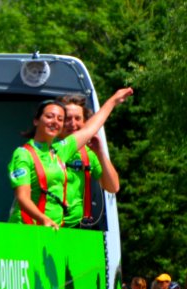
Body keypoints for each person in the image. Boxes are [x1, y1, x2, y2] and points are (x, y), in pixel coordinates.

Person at [8, 87, 133, 228]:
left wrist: (113, 101)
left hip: (61, 229)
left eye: (60, 119)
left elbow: (90, 129)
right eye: (50, 117)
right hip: (30, 226)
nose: (56, 122)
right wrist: (43, 219)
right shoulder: (24, 153)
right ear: (36, 121)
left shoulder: (60, 150)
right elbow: (22, 197)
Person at [60, 94, 121, 228]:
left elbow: (113, 187)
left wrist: (99, 152)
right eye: (67, 119)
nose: (73, 124)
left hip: (75, 226)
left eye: (77, 118)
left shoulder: (88, 153)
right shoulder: (50, 147)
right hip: (45, 223)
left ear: (84, 122)